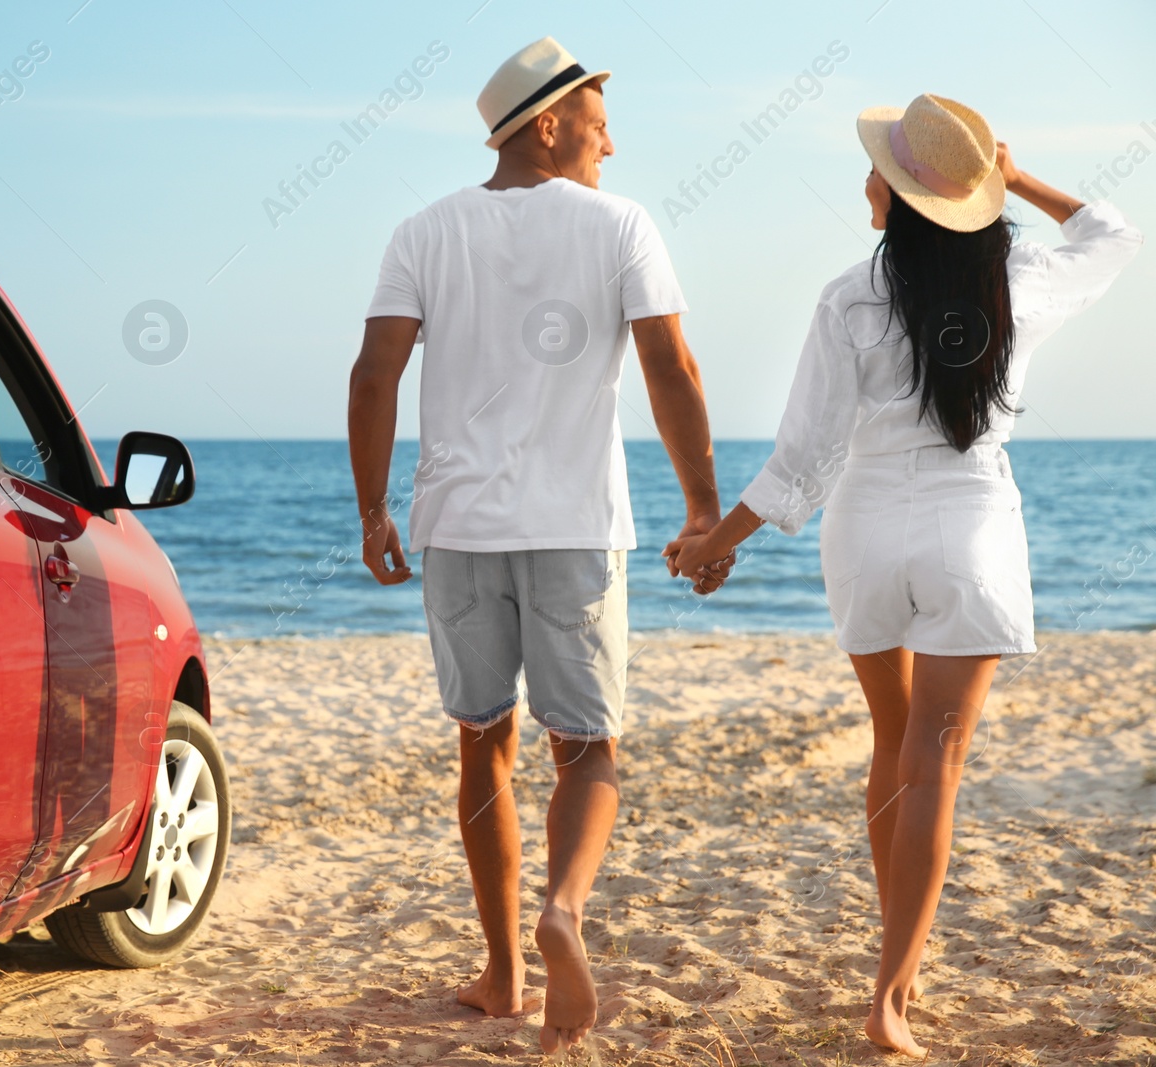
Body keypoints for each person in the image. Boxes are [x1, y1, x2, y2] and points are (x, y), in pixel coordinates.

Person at [666, 93, 1141, 1056]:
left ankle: (897, 964)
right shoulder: (1020, 280)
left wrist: (719, 542)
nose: (866, 178)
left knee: (894, 738)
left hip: (868, 534)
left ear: (902, 196)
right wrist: (1018, 177)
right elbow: (1113, 233)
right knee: (939, 756)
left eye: (881, 167)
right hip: (971, 532)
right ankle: (894, 987)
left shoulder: (848, 295)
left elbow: (803, 457)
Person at [347, 37, 729, 1054]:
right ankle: (562, 906)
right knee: (589, 747)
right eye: (599, 128)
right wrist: (701, 507)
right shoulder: (620, 226)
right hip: (574, 527)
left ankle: (504, 969)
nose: (612, 147)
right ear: (547, 123)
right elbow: (671, 365)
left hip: (458, 529)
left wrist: (372, 510)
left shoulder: (423, 230)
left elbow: (374, 373)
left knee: (483, 741)